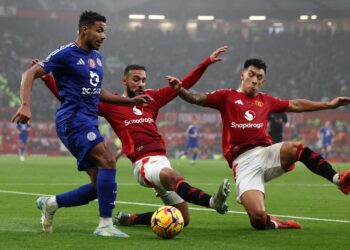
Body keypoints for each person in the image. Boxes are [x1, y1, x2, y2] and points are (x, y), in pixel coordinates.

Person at [41, 46, 231, 228]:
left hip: (162, 161)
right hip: (143, 164)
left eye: (143, 80)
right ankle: (213, 202)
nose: (140, 84)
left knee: (182, 217)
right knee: (172, 176)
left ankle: (131, 219)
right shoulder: (113, 103)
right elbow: (76, 98)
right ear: (125, 81)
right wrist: (48, 80)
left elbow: (184, 84)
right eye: (136, 79)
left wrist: (206, 63)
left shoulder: (152, 98)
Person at [12, 11, 152, 237]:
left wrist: (129, 101)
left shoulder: (96, 58)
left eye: (104, 31)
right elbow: (29, 74)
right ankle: (105, 225)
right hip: (72, 120)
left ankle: (50, 203)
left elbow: (99, 92)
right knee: (108, 160)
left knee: (99, 186)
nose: (103, 36)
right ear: (84, 30)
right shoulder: (66, 54)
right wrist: (26, 104)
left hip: (88, 121)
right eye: (99, 30)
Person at [168, 58, 350, 230]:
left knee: (296, 147)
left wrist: (328, 104)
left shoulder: (265, 100)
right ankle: (276, 223)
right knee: (258, 218)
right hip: (244, 163)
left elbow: (295, 105)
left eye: (260, 77)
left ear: (263, 81)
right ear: (242, 75)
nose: (255, 80)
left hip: (266, 153)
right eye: (252, 75)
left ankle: (338, 179)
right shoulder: (226, 96)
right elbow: (198, 98)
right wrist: (180, 90)